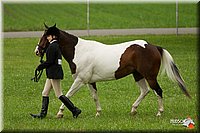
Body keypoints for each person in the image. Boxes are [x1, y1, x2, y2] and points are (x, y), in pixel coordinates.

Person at [30, 26, 81, 119]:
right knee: (45, 92)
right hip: (51, 73)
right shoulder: (54, 45)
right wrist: (43, 64)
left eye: (48, 36)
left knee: (59, 94)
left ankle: (75, 110)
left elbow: (50, 62)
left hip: (54, 74)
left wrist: (40, 67)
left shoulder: (53, 46)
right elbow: (52, 61)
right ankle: (42, 114)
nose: (47, 37)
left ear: (53, 36)